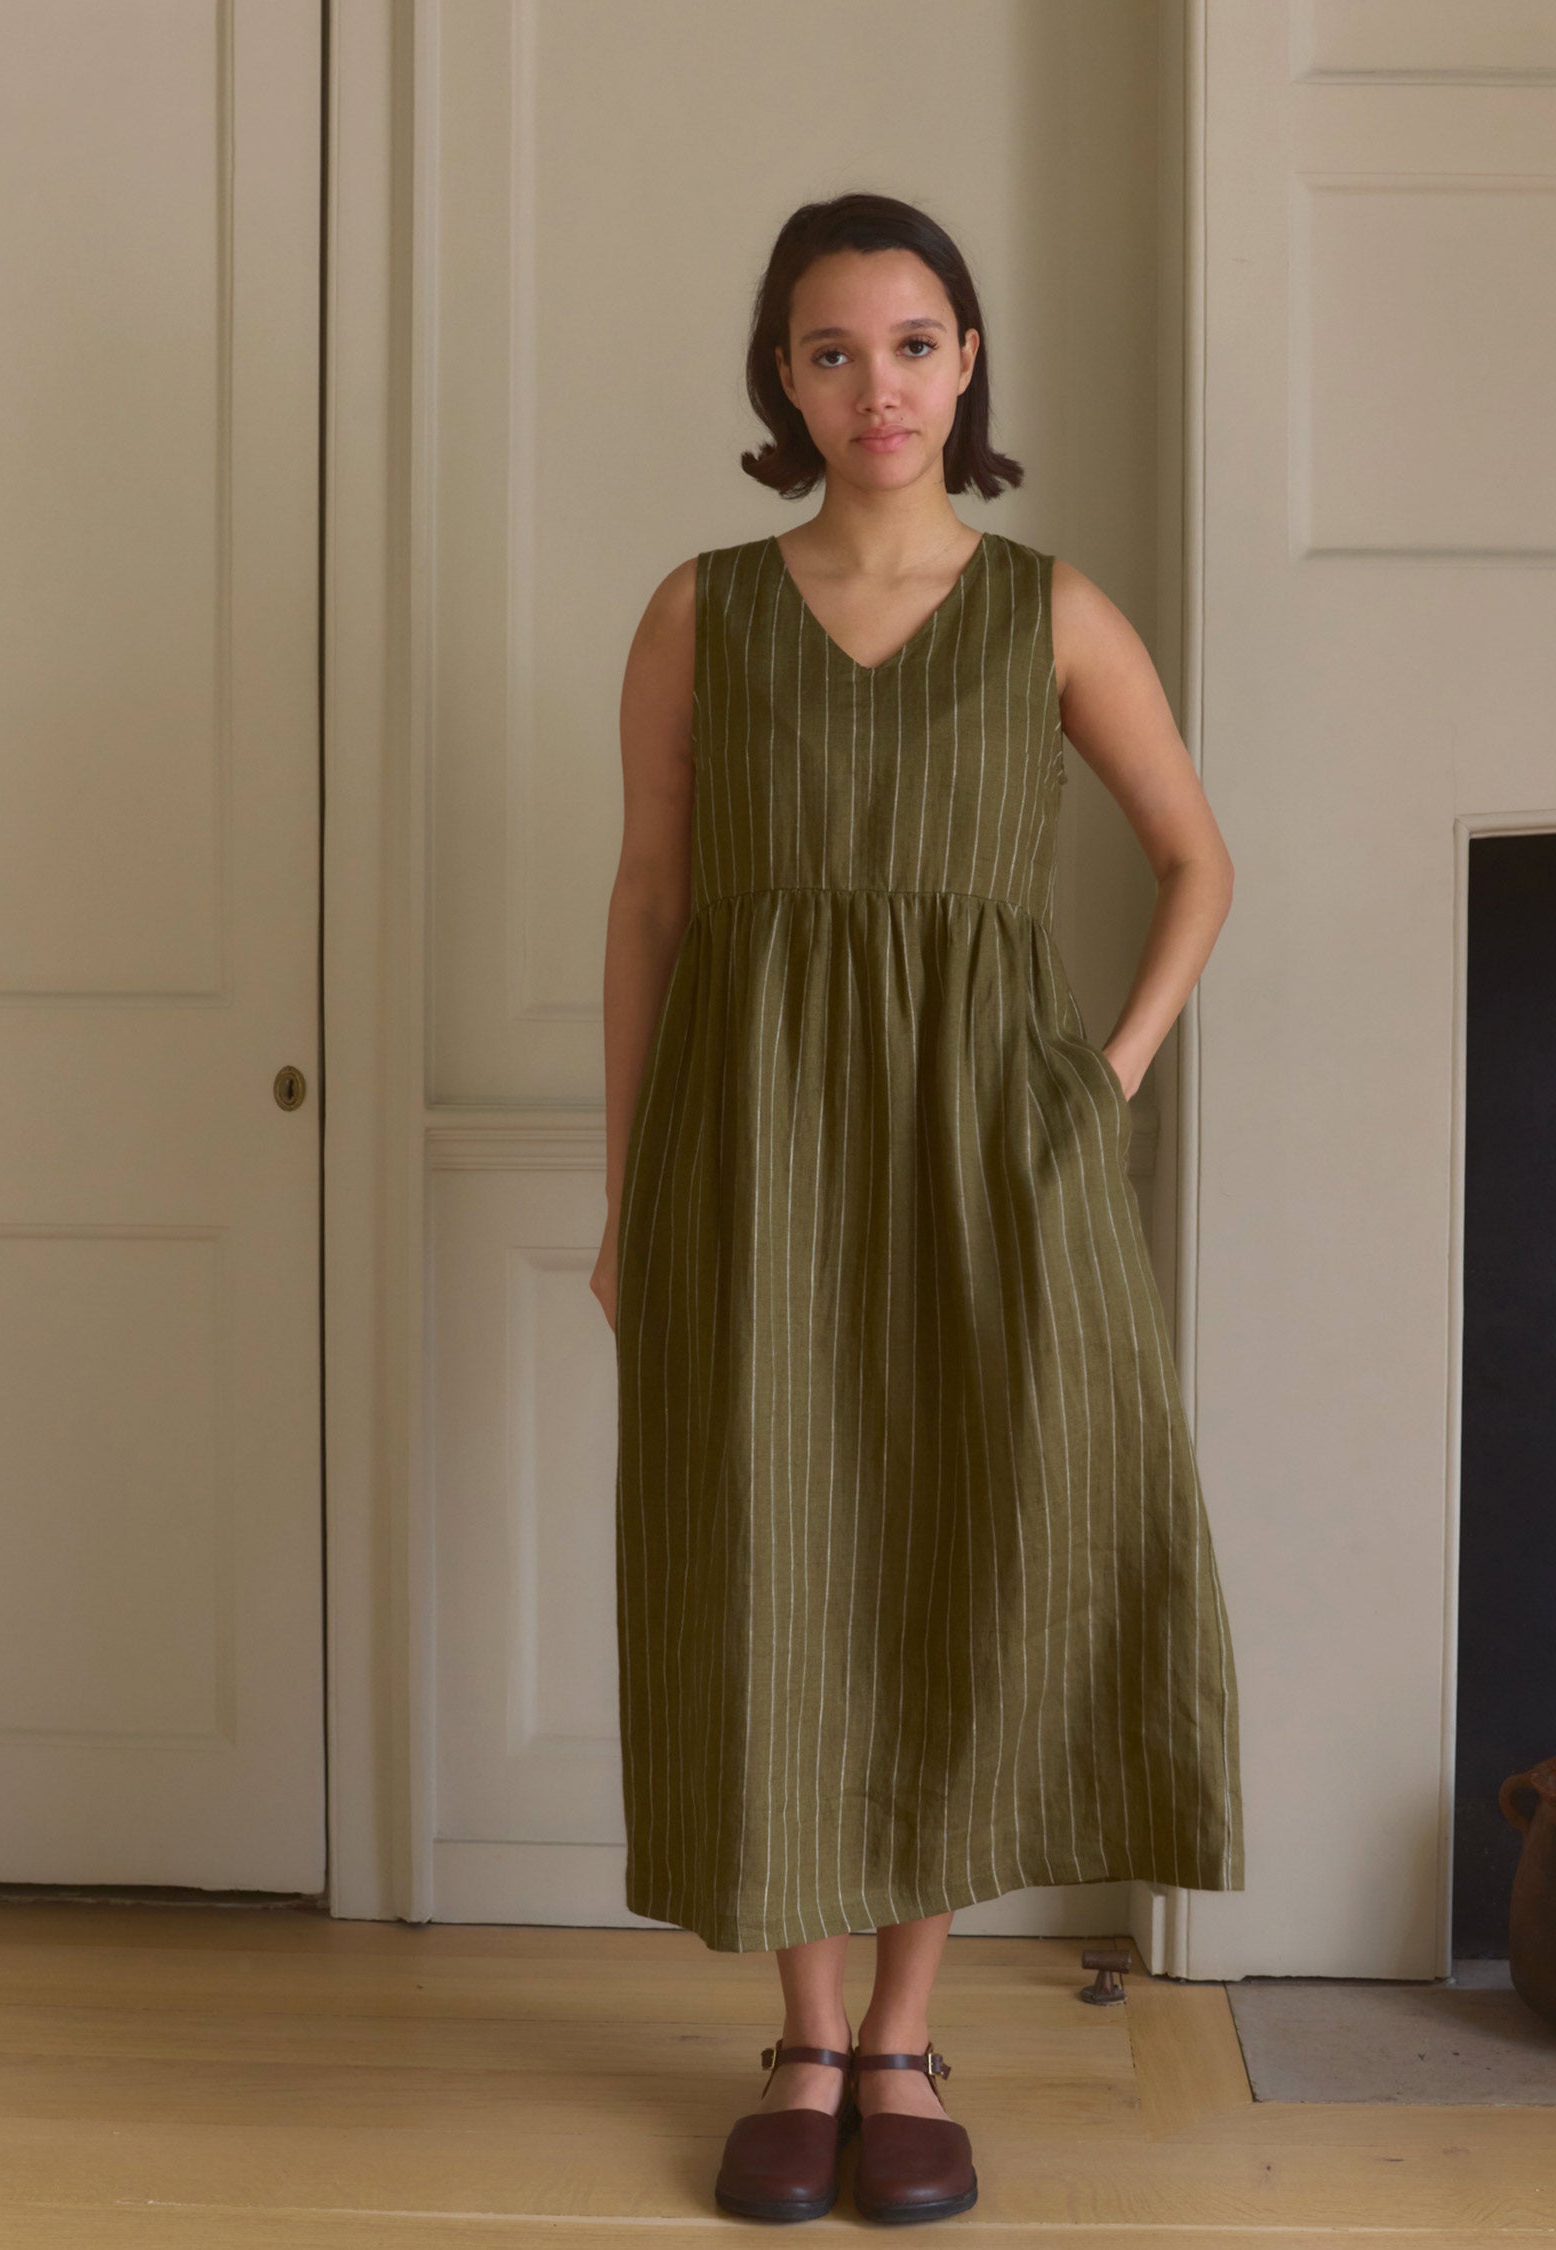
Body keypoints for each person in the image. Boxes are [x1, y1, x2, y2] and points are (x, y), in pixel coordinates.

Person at [594, 190, 1244, 2227]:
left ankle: (902, 2036)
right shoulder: (702, 609)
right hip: (752, 1164)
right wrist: (629, 1195)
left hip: (990, 1167)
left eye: (911, 341)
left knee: (967, 1562)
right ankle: (801, 2042)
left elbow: (1199, 861)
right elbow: (652, 904)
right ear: (781, 383)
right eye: (830, 350)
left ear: (967, 363)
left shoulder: (1051, 610)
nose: (876, 384)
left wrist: (1101, 1084)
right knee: (772, 1570)